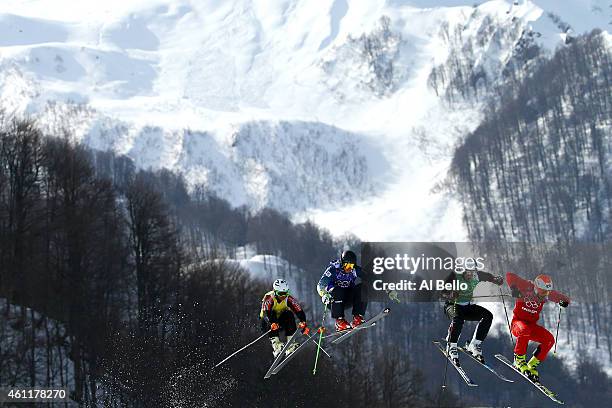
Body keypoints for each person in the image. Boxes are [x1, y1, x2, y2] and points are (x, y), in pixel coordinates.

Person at [506, 272, 570, 382]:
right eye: (543, 292)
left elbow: (564, 298)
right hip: (518, 324)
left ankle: (532, 365)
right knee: (524, 330)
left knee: (549, 340)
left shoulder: (546, 294)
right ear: (536, 287)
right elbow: (509, 276)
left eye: (547, 292)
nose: (545, 295)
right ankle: (519, 360)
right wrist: (514, 289)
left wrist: (564, 302)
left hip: (531, 327)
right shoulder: (526, 286)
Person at [317, 250, 399, 332]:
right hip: (333, 301)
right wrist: (324, 294)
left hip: (347, 300)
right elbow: (320, 285)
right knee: (339, 289)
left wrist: (388, 289)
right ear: (342, 263)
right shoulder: (333, 269)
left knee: (362, 287)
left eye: (351, 266)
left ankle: (357, 318)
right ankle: (339, 321)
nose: (349, 268)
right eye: (347, 266)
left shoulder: (355, 270)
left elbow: (372, 278)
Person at [443, 268, 504, 365]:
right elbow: (442, 290)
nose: (470, 275)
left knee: (488, 316)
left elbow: (488, 277)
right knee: (458, 319)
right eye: (468, 272)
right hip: (452, 306)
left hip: (466, 307)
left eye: (472, 272)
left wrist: (496, 280)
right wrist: (450, 294)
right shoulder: (455, 276)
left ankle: (474, 344)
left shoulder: (477, 276)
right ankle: (451, 345)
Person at [260, 279, 310, 357]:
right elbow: (267, 313)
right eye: (281, 293)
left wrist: (303, 323)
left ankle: (290, 344)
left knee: (289, 314)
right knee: (273, 314)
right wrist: (273, 322)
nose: (283, 296)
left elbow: (299, 310)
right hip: (267, 322)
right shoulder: (269, 298)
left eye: (286, 293)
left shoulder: (288, 298)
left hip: (280, 322)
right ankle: (276, 345)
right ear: (275, 292)